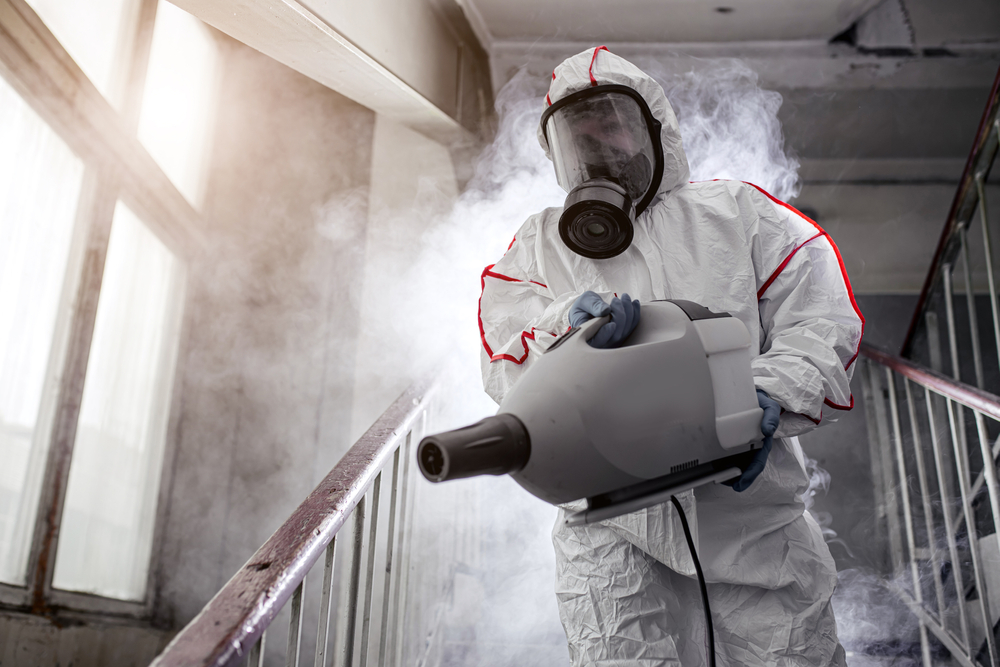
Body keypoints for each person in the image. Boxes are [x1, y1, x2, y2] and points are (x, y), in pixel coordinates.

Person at [478, 46, 864, 667]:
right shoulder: (539, 247)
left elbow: (822, 319)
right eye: (580, 136)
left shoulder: (736, 213)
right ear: (558, 155)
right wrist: (563, 333)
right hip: (609, 528)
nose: (598, 146)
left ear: (655, 130)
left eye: (612, 124)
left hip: (750, 519)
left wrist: (761, 397)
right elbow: (504, 354)